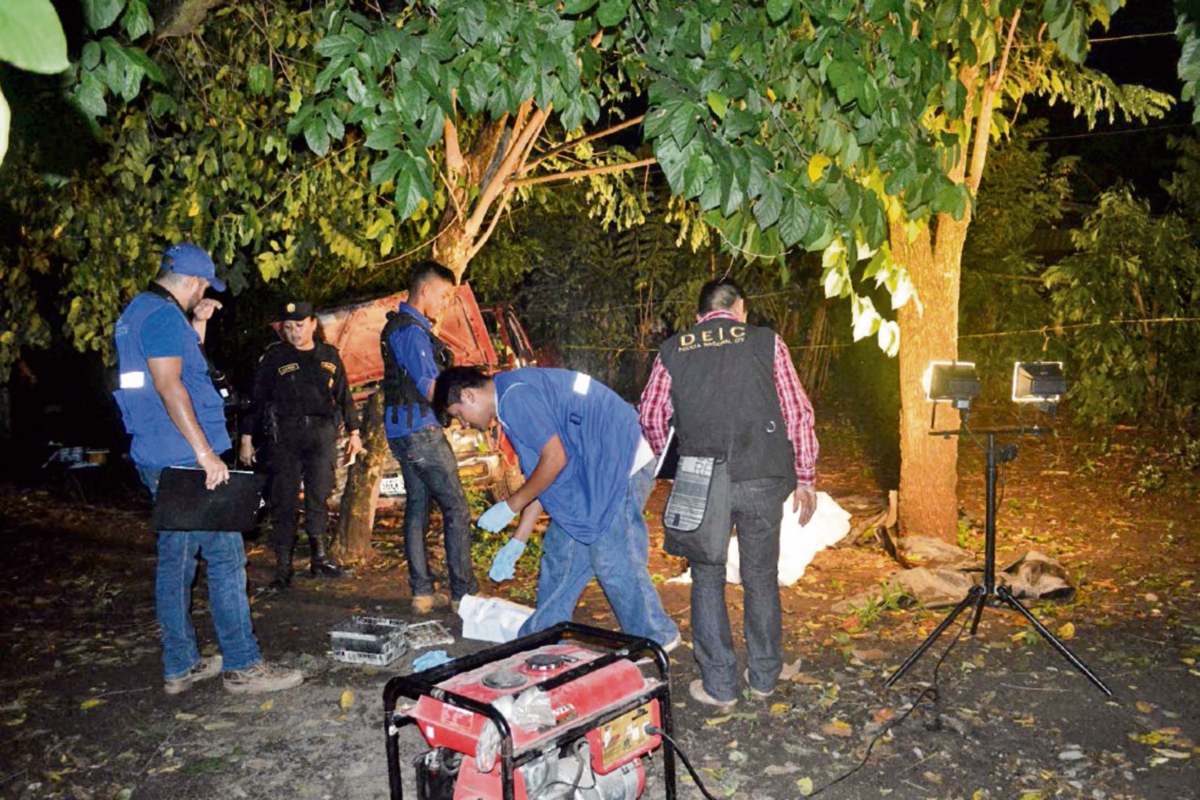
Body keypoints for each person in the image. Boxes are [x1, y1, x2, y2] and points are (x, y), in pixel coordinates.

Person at [112, 243, 304, 695]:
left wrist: (197, 324)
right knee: (226, 558)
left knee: (176, 562)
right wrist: (204, 453)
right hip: (185, 460)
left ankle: (180, 665)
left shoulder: (140, 312)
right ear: (195, 281)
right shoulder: (163, 317)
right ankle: (243, 665)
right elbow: (169, 385)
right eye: (204, 285)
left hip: (159, 453)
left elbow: (177, 368)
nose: (204, 292)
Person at [638, 278, 818, 710]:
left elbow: (650, 415)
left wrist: (676, 461)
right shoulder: (766, 342)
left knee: (707, 575)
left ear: (699, 315)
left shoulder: (673, 349)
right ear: (741, 308)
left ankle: (720, 686)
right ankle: (764, 676)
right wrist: (806, 476)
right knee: (761, 576)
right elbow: (796, 411)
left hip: (702, 477)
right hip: (762, 474)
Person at [434, 365, 680, 651]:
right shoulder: (509, 395)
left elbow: (554, 460)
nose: (464, 423)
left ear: (468, 395)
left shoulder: (514, 398)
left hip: (619, 466)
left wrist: (511, 505)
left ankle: (657, 637)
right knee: (561, 554)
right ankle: (545, 633)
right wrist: (518, 540)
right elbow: (543, 477)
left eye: (459, 415)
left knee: (613, 558)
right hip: (590, 474)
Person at [239, 300, 365, 590]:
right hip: (286, 437)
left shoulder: (329, 355)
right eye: (288, 327)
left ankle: (320, 559)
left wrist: (355, 432)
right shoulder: (276, 356)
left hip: (321, 435)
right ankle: (283, 567)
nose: (294, 332)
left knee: (318, 496)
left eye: (299, 325)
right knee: (284, 500)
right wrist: (246, 438)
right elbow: (258, 399)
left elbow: (344, 396)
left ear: (312, 324)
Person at [382, 262, 478, 613]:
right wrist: (464, 411)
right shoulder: (411, 332)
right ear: (425, 290)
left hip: (401, 432)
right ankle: (464, 594)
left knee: (418, 508)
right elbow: (429, 386)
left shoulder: (397, 326)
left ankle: (422, 593)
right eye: (443, 295)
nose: (444, 303)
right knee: (456, 507)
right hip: (421, 432)